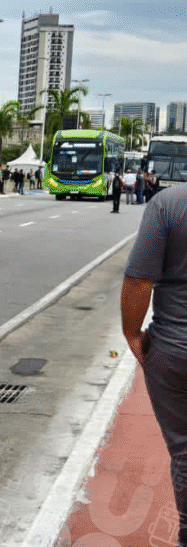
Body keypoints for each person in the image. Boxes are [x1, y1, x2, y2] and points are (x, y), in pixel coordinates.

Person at [122, 183, 187, 547]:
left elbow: (139, 278)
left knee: (184, 448)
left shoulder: (168, 204)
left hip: (176, 351)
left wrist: (133, 333)